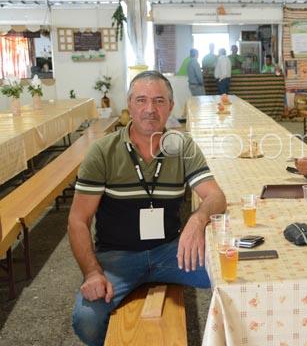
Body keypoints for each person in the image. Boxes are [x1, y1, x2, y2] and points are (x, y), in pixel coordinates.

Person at [69, 70, 227, 345]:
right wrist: (92, 272)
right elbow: (78, 220)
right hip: (117, 257)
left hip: (172, 252)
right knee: (87, 320)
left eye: (159, 100)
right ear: (129, 105)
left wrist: (198, 218)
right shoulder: (103, 152)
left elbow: (215, 196)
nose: (150, 109)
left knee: (231, 276)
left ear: (171, 106)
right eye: (141, 100)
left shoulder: (183, 147)